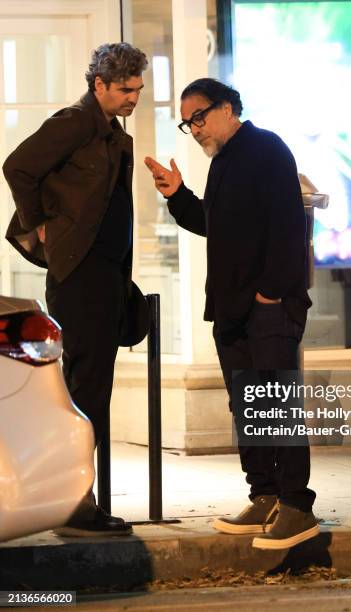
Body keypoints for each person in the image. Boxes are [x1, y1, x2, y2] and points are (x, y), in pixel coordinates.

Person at [145, 78, 318, 549]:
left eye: (198, 117)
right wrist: (178, 193)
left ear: (227, 108)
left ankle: (296, 506)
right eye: (187, 123)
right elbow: (214, 226)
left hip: (269, 308)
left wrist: (270, 294)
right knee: (248, 407)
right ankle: (264, 496)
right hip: (232, 311)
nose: (194, 129)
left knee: (277, 405)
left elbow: (287, 228)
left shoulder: (265, 149)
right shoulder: (222, 162)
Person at [3, 42, 149, 537]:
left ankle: (75, 497)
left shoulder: (114, 135)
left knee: (94, 385)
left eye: (139, 89)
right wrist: (39, 223)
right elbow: (17, 166)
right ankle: (73, 502)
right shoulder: (75, 123)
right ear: (100, 85)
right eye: (126, 89)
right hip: (80, 273)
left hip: (106, 274)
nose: (134, 97)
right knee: (86, 386)